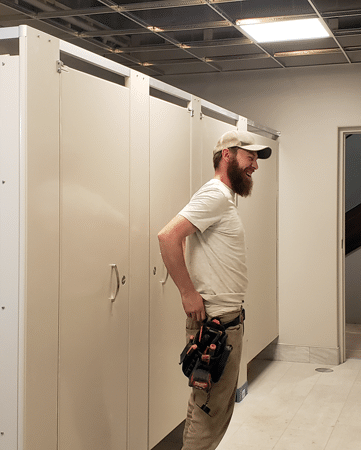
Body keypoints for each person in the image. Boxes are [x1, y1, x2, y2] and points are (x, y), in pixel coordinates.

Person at [158, 130, 271, 450]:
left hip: (223, 321)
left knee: (207, 407)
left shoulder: (223, 198)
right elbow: (168, 237)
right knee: (209, 413)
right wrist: (187, 293)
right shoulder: (215, 195)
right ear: (227, 155)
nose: (254, 166)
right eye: (250, 157)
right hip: (215, 324)